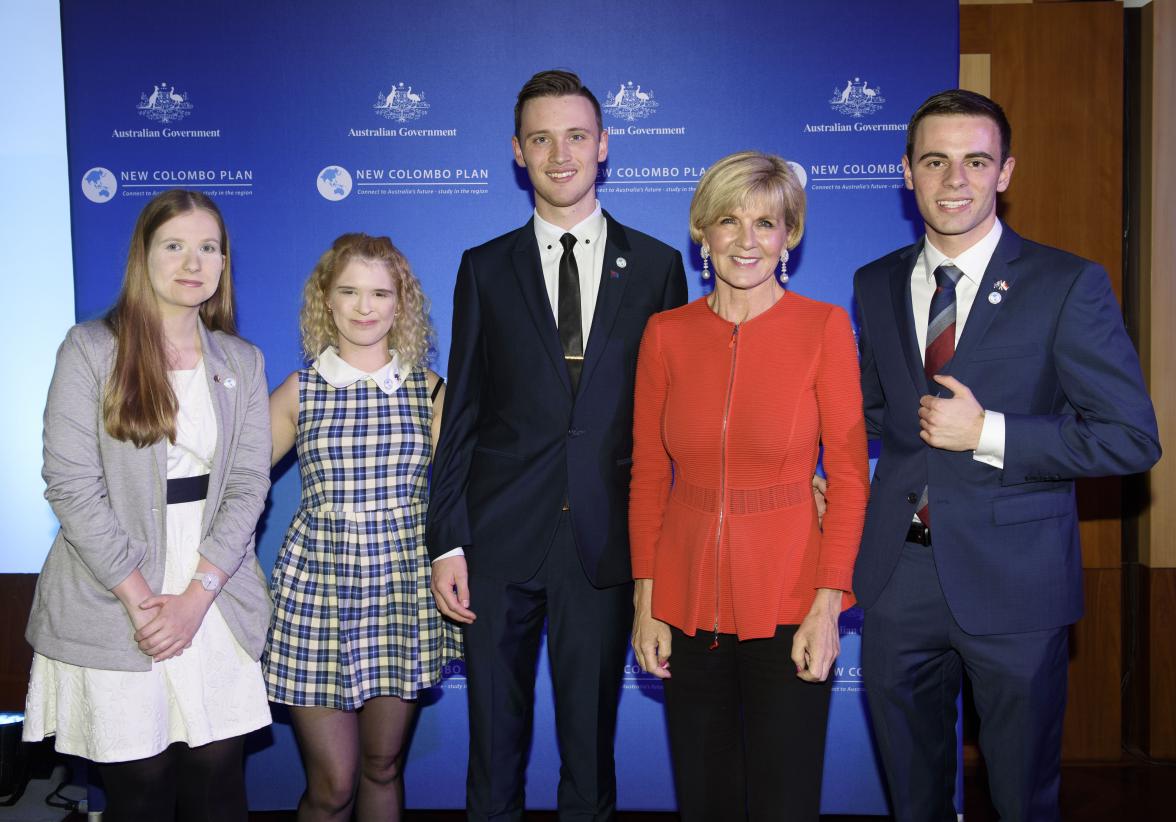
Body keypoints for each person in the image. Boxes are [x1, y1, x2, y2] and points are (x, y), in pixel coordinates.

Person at [853, 89, 1161, 822]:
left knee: (1024, 797)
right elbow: (874, 411)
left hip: (1016, 587)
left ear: (1006, 172)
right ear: (907, 172)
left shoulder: (1067, 284)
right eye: (935, 160)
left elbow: (1130, 436)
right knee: (911, 796)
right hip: (900, 579)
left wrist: (988, 431)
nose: (955, 179)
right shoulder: (875, 281)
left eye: (975, 160)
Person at [426, 69, 687, 820]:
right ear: (518, 152)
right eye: (541, 138)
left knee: (590, 748)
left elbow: (671, 425)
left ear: (603, 146)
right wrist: (447, 542)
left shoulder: (660, 266)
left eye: (576, 136)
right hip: (499, 542)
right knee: (493, 750)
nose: (560, 153)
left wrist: (665, 550)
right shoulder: (484, 267)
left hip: (608, 545)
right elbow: (466, 409)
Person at [628, 150, 869, 820]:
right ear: (702, 231)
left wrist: (828, 608)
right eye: (729, 221)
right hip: (685, 595)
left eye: (766, 223)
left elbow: (848, 477)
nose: (746, 240)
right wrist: (645, 603)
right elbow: (649, 474)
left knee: (785, 799)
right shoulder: (665, 334)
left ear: (789, 235)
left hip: (791, 594)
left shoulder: (822, 327)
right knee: (705, 798)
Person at [23, 189, 272, 821]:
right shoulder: (90, 349)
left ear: (223, 264)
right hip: (111, 588)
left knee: (218, 780)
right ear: (144, 255)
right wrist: (142, 601)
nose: (193, 262)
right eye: (175, 246)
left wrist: (195, 598)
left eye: (208, 248)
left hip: (213, 584)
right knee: (139, 782)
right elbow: (71, 485)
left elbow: (248, 484)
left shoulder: (242, 361)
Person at [264, 233, 460, 821]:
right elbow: (239, 487)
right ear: (326, 300)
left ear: (402, 304)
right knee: (333, 785)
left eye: (380, 292)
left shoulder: (429, 391)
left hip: (400, 591)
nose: (364, 306)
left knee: (382, 768)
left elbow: (456, 499)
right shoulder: (301, 392)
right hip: (317, 593)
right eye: (348, 291)